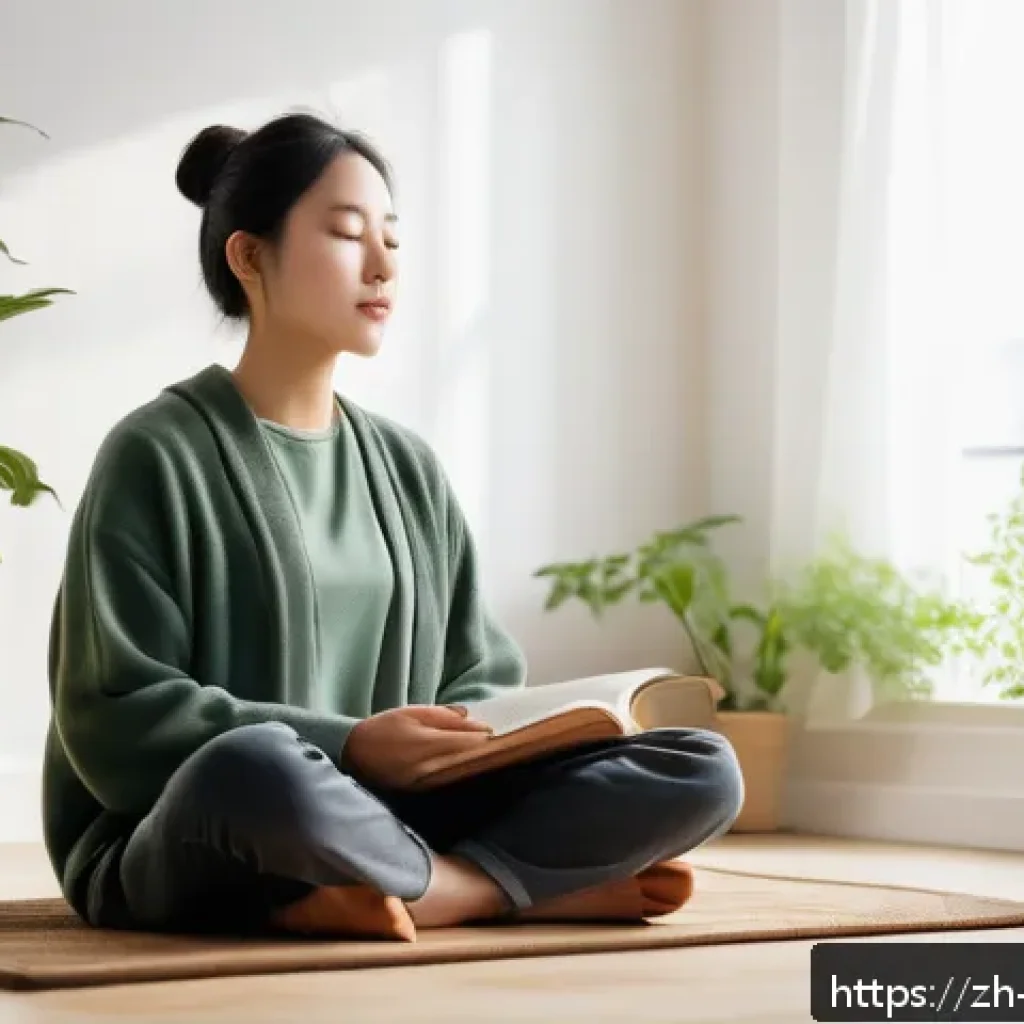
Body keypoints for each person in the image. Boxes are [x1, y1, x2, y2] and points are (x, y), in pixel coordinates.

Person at [41, 111, 744, 941]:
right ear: (249, 255)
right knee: (251, 767)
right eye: (346, 235)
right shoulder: (156, 455)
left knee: (704, 766)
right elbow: (116, 716)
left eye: (393, 239)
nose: (382, 266)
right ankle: (510, 883)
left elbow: (476, 684)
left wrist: (506, 739)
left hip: (397, 817)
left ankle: (435, 888)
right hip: (195, 826)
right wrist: (353, 746)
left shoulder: (407, 467)